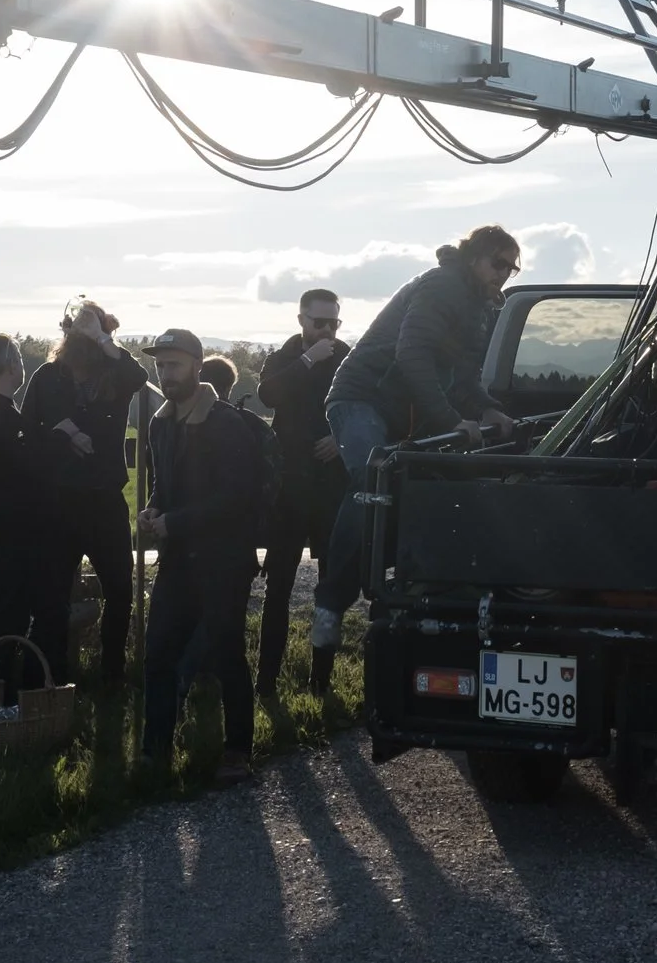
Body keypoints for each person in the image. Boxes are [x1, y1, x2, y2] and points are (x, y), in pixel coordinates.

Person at [311, 226, 522, 682]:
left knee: (433, 485)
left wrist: (488, 408)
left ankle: (416, 592)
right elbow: (412, 355)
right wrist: (450, 420)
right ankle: (330, 603)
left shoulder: (480, 308)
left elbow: (464, 375)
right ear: (474, 258)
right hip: (361, 397)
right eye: (498, 264)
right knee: (372, 479)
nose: (504, 275)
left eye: (512, 268)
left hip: (402, 410)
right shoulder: (440, 286)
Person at [138, 327, 269, 786]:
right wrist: (155, 509)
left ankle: (237, 752)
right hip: (178, 559)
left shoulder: (226, 424)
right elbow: (165, 486)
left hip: (224, 561)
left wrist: (174, 522)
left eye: (173, 364)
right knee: (157, 655)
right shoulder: (159, 422)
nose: (165, 373)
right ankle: (154, 753)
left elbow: (236, 499)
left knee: (226, 652)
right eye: (160, 365)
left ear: (196, 365)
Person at [21, 300, 147, 684]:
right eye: (78, 325)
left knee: (120, 590)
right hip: (57, 502)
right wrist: (62, 432)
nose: (83, 333)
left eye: (91, 327)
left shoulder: (116, 373)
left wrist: (104, 339)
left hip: (104, 498)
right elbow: (25, 431)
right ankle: (50, 678)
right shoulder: (47, 376)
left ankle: (112, 672)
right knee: (52, 597)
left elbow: (139, 375)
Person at [0, 334, 82, 690]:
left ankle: (23, 692)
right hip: (11, 533)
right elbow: (32, 461)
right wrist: (63, 437)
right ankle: (15, 695)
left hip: (13, 531)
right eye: (18, 357)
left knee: (32, 613)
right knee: (21, 616)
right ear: (12, 364)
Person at [257, 289, 349, 692]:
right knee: (277, 588)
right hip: (289, 488)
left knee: (329, 589)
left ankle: (321, 681)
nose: (328, 330)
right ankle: (266, 680)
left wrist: (340, 438)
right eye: (320, 322)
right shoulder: (284, 358)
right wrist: (308, 361)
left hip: (331, 489)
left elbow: (372, 405)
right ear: (301, 321)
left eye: (334, 322)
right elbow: (268, 394)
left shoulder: (349, 357)